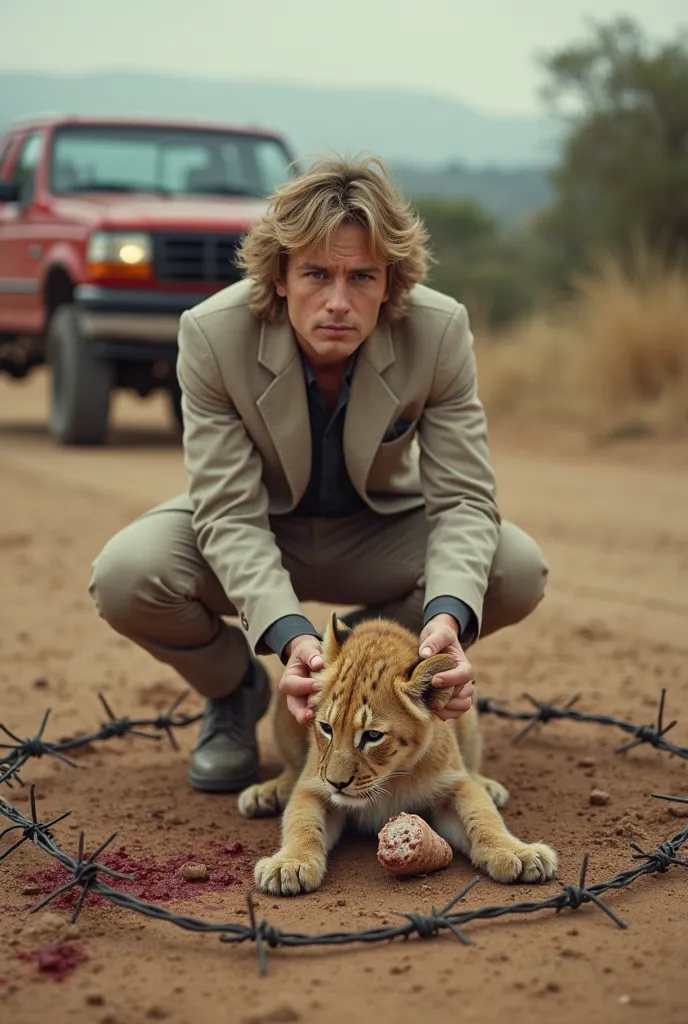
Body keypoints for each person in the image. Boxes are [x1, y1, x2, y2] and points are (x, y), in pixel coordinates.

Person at [88, 155, 548, 793]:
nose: (338, 301)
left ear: (390, 284)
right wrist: (290, 639)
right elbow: (227, 512)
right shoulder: (211, 334)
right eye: (315, 273)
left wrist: (443, 621)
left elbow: (465, 501)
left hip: (375, 531)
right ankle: (237, 690)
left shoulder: (439, 331)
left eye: (362, 276)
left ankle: (359, 677)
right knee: (126, 575)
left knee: (513, 567)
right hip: (260, 527)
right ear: (279, 276)